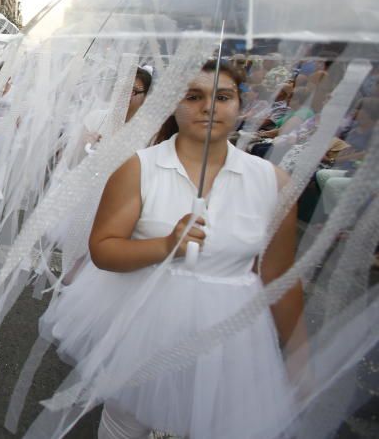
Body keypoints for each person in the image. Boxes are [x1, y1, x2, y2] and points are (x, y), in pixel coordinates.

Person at [41, 60, 303, 439]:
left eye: (223, 97)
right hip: (144, 322)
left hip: (227, 336)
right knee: (126, 422)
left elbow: (279, 275)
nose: (209, 107)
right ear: (172, 106)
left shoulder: (273, 182)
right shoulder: (139, 167)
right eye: (193, 96)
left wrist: (299, 357)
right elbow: (104, 249)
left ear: (240, 107)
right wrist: (165, 246)